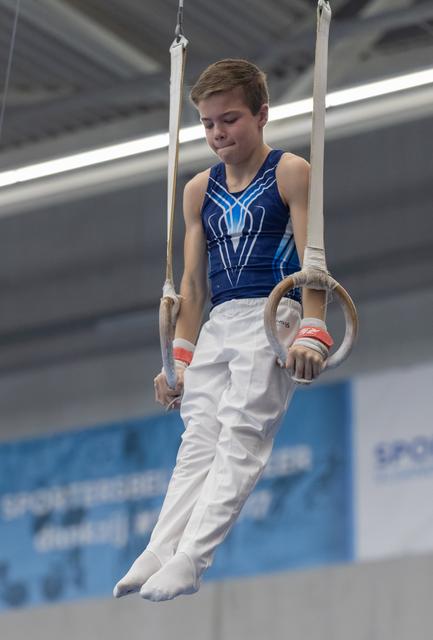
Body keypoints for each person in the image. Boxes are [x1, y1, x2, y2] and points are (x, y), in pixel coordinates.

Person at [113, 59, 332, 602]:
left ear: (262, 114)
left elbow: (314, 261)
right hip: (218, 323)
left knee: (239, 437)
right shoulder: (197, 191)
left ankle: (192, 558)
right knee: (198, 441)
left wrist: (313, 328)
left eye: (229, 120)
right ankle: (161, 547)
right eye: (208, 124)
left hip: (272, 315)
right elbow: (190, 283)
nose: (217, 134)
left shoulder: (290, 173)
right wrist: (179, 358)